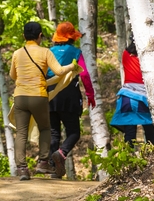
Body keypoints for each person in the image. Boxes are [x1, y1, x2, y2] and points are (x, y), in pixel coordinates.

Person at [9, 21, 80, 180]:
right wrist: (72, 67)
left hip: (20, 96)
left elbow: (13, 76)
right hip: (39, 96)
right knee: (45, 129)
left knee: (21, 133)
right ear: (40, 36)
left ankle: (22, 169)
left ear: (23, 36)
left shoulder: (17, 53)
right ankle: (43, 163)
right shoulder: (45, 52)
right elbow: (59, 71)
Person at [47, 22, 96, 178]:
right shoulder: (76, 52)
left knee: (54, 133)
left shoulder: (48, 52)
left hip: (50, 94)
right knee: (74, 132)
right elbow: (85, 75)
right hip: (69, 95)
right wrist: (90, 94)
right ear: (72, 38)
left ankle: (54, 169)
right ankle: (62, 153)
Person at [111, 42, 154, 145]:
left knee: (129, 134)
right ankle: (152, 156)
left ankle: (128, 158)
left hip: (126, 98)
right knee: (150, 133)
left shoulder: (125, 54)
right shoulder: (149, 56)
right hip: (143, 99)